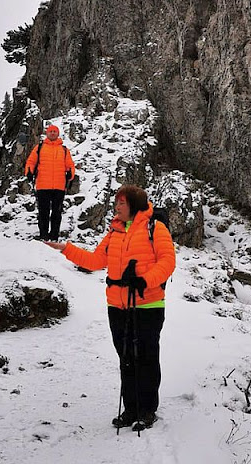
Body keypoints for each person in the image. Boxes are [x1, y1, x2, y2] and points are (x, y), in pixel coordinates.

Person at [45, 184, 176, 431]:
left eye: (121, 203)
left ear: (134, 205)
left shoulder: (154, 228)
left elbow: (168, 261)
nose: (116, 207)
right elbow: (96, 261)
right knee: (126, 357)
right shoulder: (114, 231)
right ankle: (131, 409)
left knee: (145, 357)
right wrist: (67, 250)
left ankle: (147, 410)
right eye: (116, 203)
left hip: (148, 304)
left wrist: (145, 280)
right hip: (117, 305)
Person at [25, 124, 75, 241]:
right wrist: (29, 172)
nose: (52, 133)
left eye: (55, 131)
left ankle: (54, 236)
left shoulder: (64, 150)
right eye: (50, 131)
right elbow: (31, 162)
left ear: (58, 134)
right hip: (42, 185)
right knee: (43, 212)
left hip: (59, 186)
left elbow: (70, 165)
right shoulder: (39, 147)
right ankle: (44, 235)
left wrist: (70, 173)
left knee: (57, 213)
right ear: (47, 133)